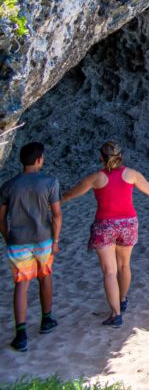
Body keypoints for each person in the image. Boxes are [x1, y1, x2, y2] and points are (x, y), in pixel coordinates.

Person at [61, 141, 149, 327]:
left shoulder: (96, 178)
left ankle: (116, 314)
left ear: (100, 157)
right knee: (124, 265)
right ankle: (122, 299)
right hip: (128, 224)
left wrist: (52, 203)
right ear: (121, 156)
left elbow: (71, 194)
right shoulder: (131, 174)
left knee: (109, 272)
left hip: (105, 225)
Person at [0, 142, 60, 352]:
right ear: (39, 160)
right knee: (45, 276)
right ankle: (46, 320)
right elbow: (57, 215)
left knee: (21, 284)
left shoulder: (8, 185)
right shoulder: (49, 182)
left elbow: (1, 219)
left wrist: (9, 237)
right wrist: (56, 241)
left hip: (17, 240)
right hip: (43, 239)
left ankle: (21, 333)